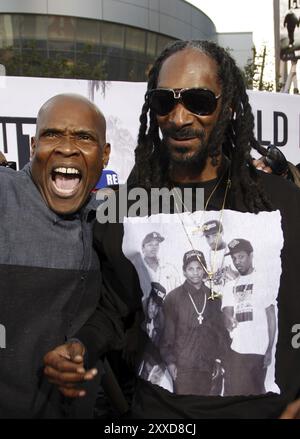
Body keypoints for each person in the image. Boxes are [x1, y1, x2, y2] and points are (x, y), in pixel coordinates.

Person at [46, 40, 300, 419]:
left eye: (198, 101)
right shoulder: (127, 207)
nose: (179, 118)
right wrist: (82, 345)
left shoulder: (281, 201)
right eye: (165, 102)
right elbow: (117, 308)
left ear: (228, 107)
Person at [0, 93, 115, 418]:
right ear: (33, 145)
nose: (66, 147)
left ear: (104, 155)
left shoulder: (111, 220)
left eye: (84, 137)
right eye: (52, 134)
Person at [159, 250, 228, 396]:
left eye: (199, 268)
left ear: (204, 270)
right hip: (183, 367)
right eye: (190, 268)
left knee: (207, 410)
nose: (195, 272)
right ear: (184, 271)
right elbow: (167, 335)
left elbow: (220, 333)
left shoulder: (214, 298)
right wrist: (170, 363)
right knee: (186, 410)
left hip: (208, 367)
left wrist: (218, 359)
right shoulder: (173, 298)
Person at [222, 239, 276, 396]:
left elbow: (271, 317)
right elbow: (227, 314)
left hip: (257, 351)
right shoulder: (230, 285)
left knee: (255, 396)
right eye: (234, 259)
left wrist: (269, 349)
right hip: (236, 350)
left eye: (241, 257)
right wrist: (228, 321)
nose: (237, 262)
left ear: (251, 256)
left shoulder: (262, 280)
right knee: (232, 395)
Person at [202, 219, 237, 295]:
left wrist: (235, 275)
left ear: (222, 233)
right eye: (207, 237)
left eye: (215, 235)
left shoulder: (235, 251)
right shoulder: (203, 255)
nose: (211, 241)